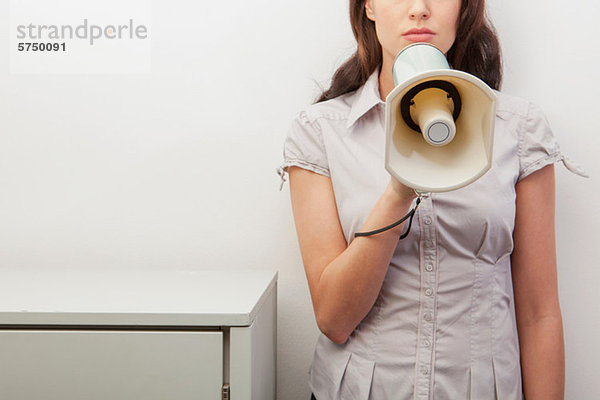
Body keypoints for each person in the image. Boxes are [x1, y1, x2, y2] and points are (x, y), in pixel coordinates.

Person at [277, 1, 588, 399]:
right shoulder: (320, 132)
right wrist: (399, 189)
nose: (419, 9)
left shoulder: (519, 130)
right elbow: (335, 319)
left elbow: (539, 315)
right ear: (368, 6)